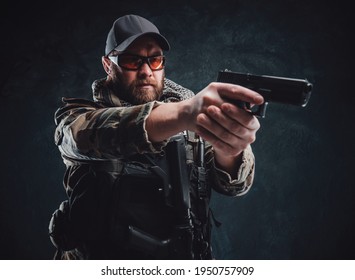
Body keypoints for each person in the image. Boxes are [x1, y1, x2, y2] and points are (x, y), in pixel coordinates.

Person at [49, 14, 263, 260]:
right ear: (108, 65)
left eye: (155, 60)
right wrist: (185, 113)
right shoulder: (80, 116)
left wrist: (230, 144)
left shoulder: (191, 119)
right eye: (132, 60)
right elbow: (87, 136)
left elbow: (235, 186)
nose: (146, 71)